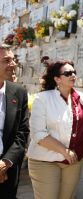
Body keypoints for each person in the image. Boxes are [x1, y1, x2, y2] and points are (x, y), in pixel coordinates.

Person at [27, 60, 83, 199]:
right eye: (68, 73)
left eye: (74, 72)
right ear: (57, 79)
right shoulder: (42, 99)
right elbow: (38, 133)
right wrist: (64, 151)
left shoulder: (81, 97)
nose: (73, 75)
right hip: (45, 160)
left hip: (74, 160)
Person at [0, 44, 30, 199]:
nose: (13, 64)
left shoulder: (18, 92)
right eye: (7, 60)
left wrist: (6, 162)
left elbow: (22, 132)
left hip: (8, 170)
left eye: (13, 59)